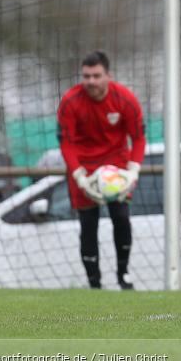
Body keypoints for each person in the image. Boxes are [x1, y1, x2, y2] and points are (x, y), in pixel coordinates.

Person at [57, 51, 144, 290]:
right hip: (83, 170)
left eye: (96, 76)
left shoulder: (125, 99)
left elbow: (138, 138)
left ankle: (123, 275)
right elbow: (66, 142)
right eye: (86, 76)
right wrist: (78, 175)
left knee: (121, 218)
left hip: (116, 166)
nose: (91, 81)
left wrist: (133, 171)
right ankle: (94, 283)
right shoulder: (70, 101)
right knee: (88, 224)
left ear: (108, 75)